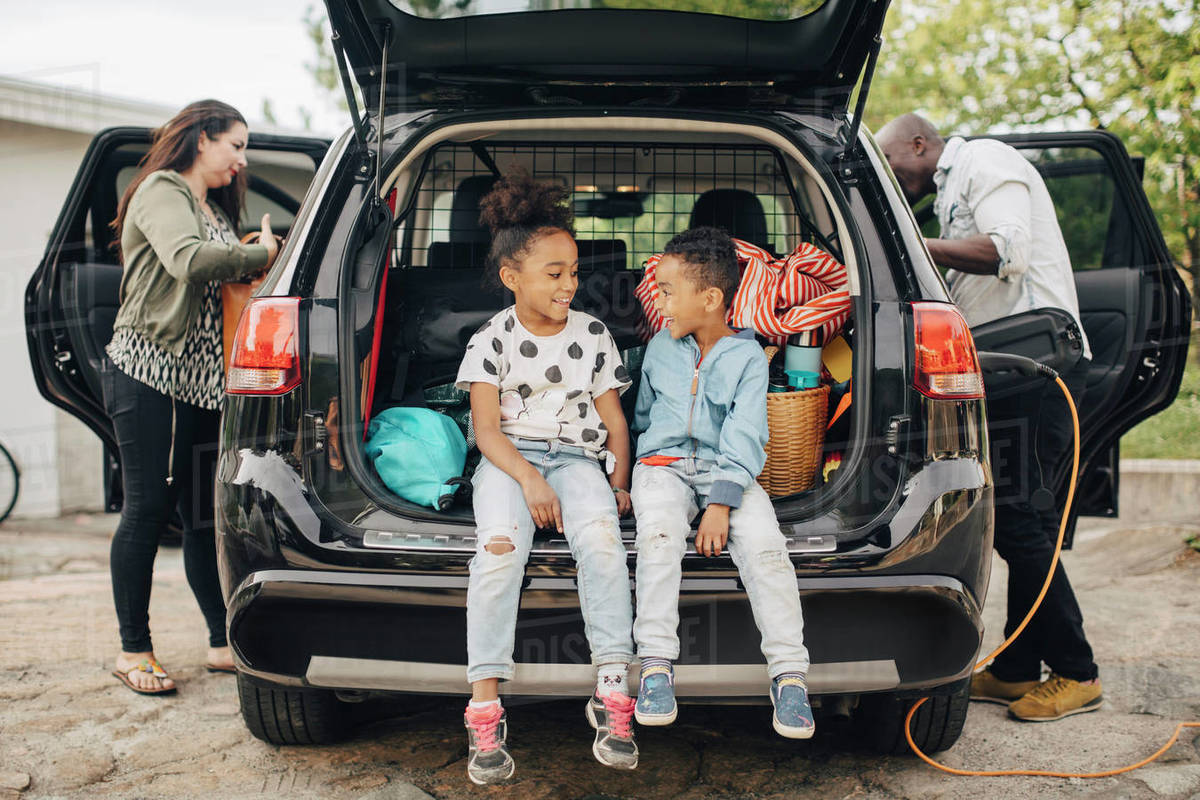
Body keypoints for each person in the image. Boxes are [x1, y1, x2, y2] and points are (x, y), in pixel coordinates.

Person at [878, 113, 1102, 722]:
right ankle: (1016, 670)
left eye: (893, 160)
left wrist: (912, 245)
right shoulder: (953, 192)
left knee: (1025, 521)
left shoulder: (986, 163)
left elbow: (1008, 252)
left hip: (1038, 365)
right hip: (1002, 371)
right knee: (1011, 521)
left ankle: (1078, 673)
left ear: (920, 144)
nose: (893, 175)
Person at [454, 169, 638, 784]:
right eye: (554, 273)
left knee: (605, 548)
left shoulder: (593, 334)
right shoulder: (490, 341)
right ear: (512, 278)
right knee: (499, 554)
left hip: (581, 461)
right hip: (511, 461)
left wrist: (617, 483)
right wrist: (531, 480)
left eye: (575, 272)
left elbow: (614, 419)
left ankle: (612, 693)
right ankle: (484, 708)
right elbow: (486, 433)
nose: (569, 285)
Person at [104, 100, 279, 695]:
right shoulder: (160, 189)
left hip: (204, 384)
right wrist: (263, 254)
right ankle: (133, 651)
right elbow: (189, 260)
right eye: (234, 144)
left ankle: (217, 640)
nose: (241, 158)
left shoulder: (212, 208)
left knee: (203, 518)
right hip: (147, 368)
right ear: (202, 138)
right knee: (148, 508)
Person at [629, 226, 815, 740]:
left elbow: (747, 434)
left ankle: (790, 674)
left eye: (667, 292)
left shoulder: (748, 358)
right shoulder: (659, 349)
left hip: (726, 472)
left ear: (710, 299)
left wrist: (721, 503)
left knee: (767, 550)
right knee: (660, 538)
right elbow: (644, 416)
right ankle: (656, 665)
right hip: (661, 466)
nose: (659, 302)